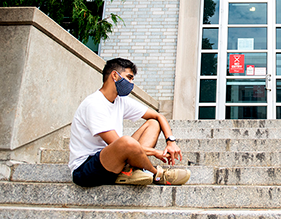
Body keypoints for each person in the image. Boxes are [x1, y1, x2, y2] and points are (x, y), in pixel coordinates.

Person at [69, 58, 191, 187]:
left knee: (153, 123)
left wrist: (171, 142)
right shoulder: (94, 104)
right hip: (85, 170)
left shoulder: (120, 101)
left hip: (114, 161)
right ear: (115, 75)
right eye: (129, 77)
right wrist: (155, 152)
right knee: (125, 141)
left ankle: (132, 171)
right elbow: (119, 144)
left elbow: (158, 116)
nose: (131, 83)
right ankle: (157, 175)